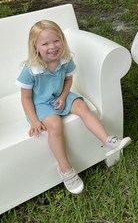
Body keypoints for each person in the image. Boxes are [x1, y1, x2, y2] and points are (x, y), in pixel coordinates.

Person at [16, 20, 131, 194]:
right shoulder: (30, 69)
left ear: (62, 40)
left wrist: (63, 96)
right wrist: (33, 120)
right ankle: (65, 169)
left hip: (60, 96)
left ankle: (107, 141)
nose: (52, 47)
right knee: (55, 124)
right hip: (40, 104)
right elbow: (25, 98)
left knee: (82, 106)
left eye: (56, 40)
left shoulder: (64, 60)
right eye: (45, 43)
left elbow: (69, 80)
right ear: (35, 47)